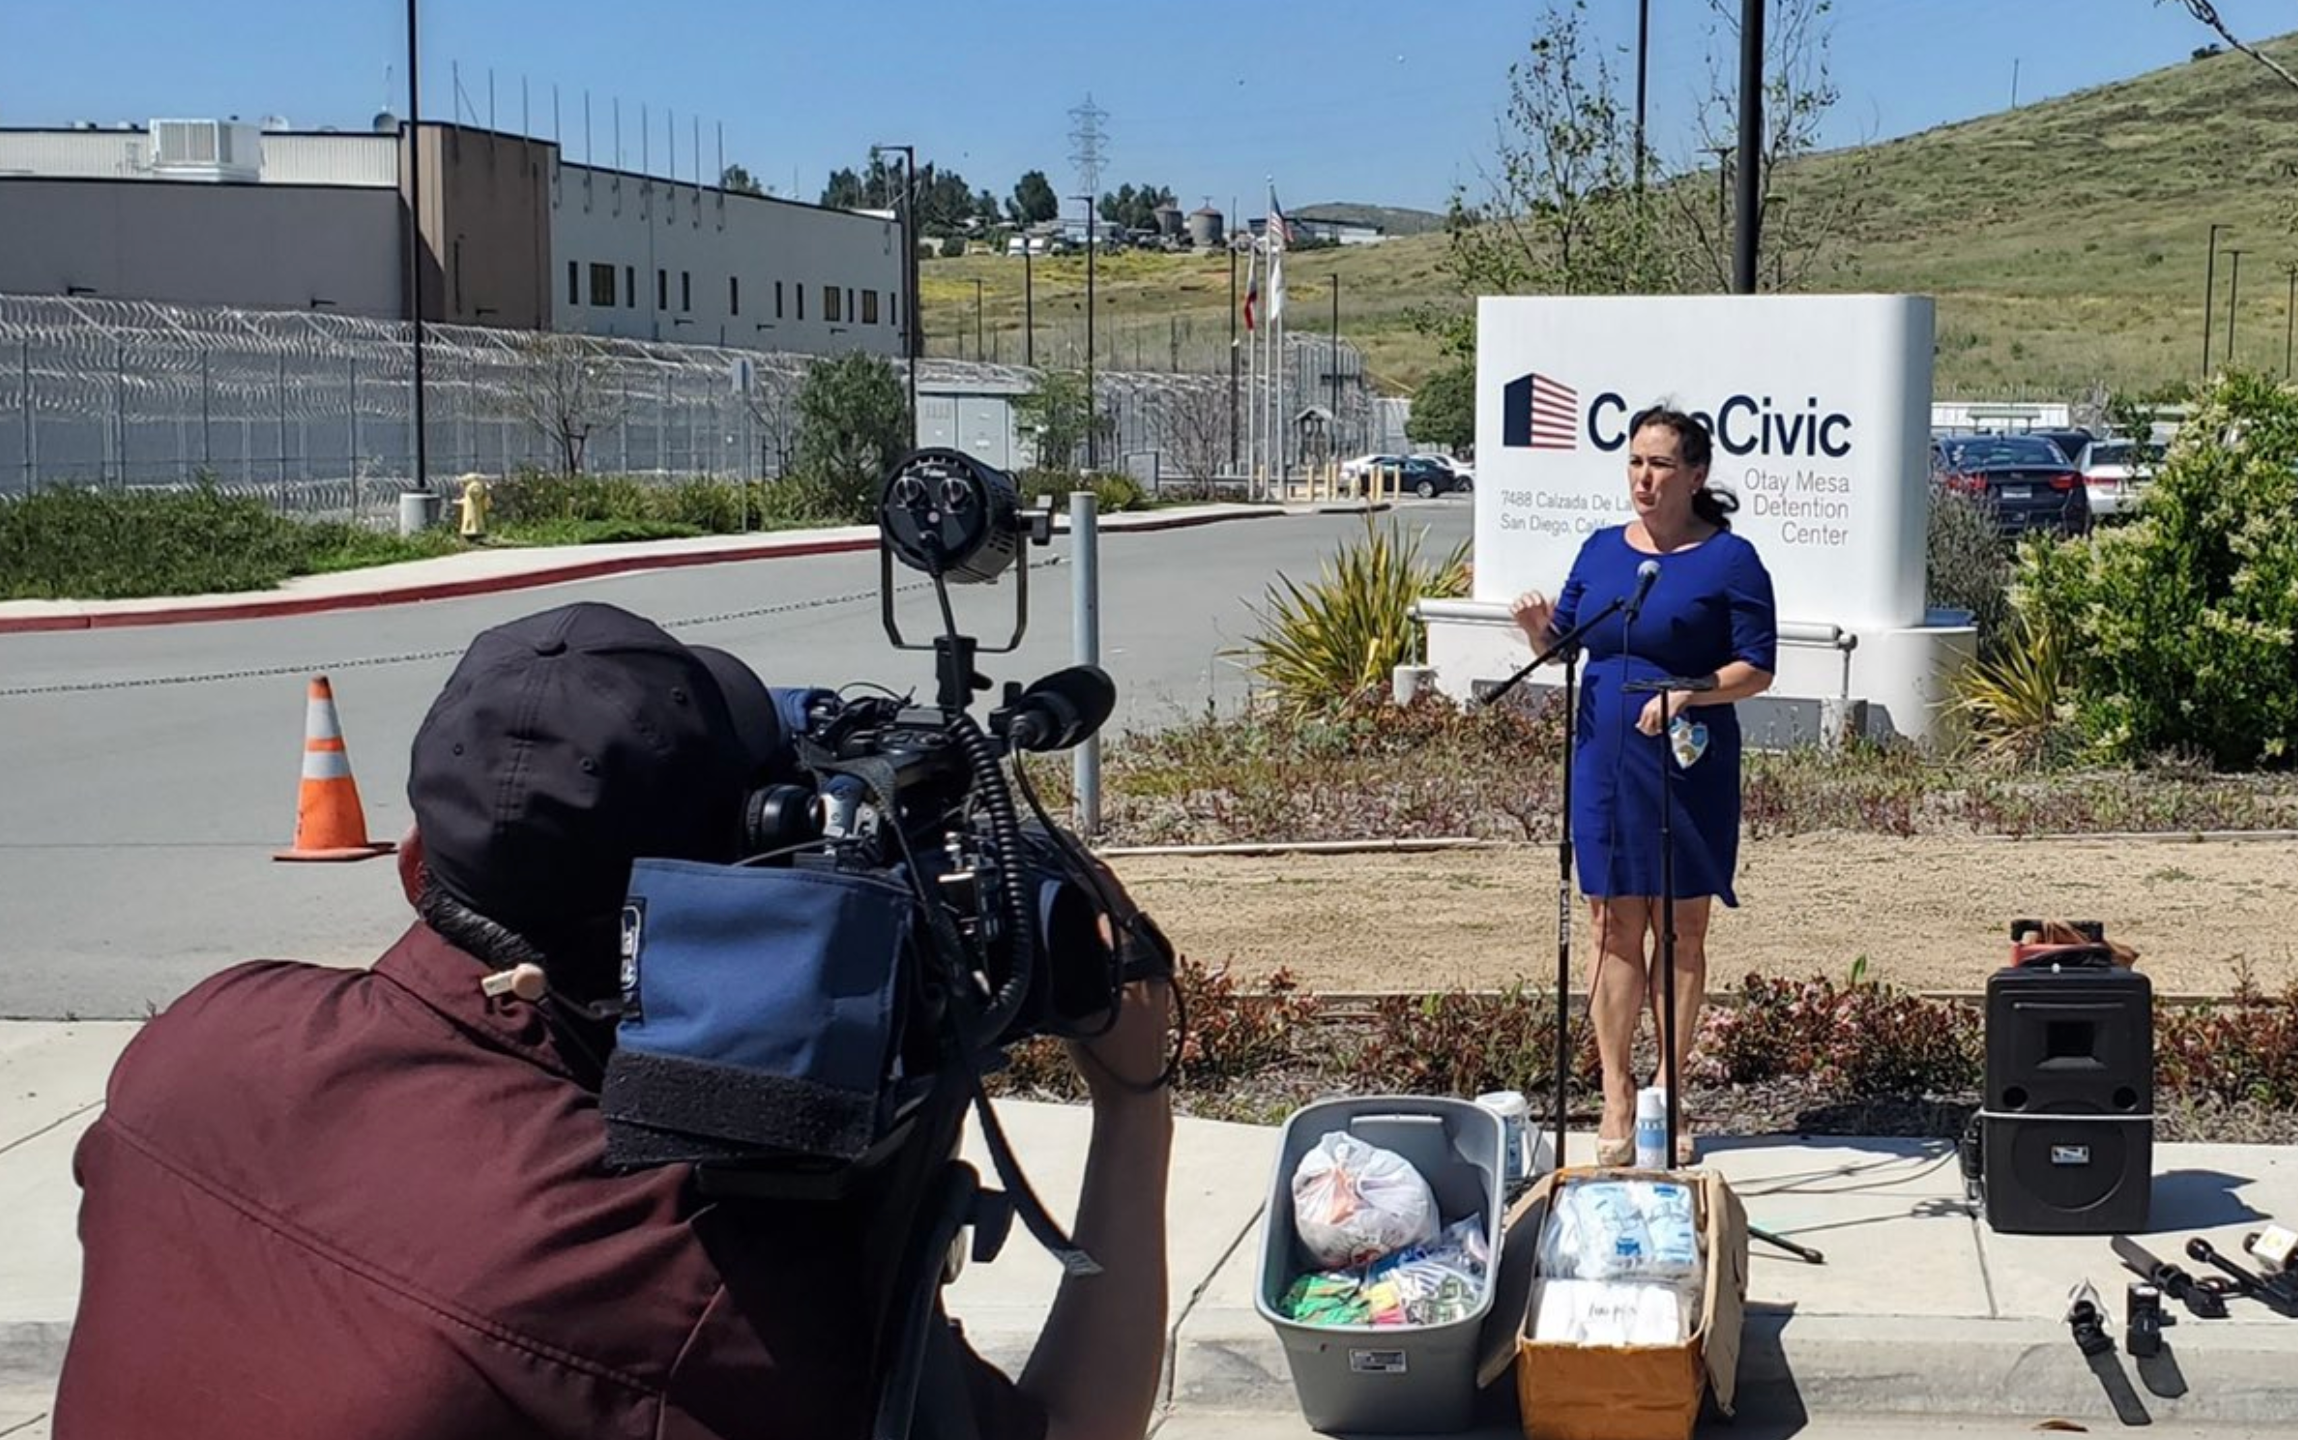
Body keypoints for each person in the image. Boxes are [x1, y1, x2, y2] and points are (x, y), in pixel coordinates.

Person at [55, 601, 1174, 1440]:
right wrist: (1135, 1102)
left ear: (410, 868)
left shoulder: (198, 1039)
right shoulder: (670, 1277)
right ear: (723, 906)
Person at [1509, 409, 1777, 1167]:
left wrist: (1692, 691)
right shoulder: (1600, 550)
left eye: (1660, 465)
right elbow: (1566, 642)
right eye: (1633, 463)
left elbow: (1757, 667)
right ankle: (1618, 1093)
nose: (1643, 479)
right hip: (1605, 753)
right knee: (1610, 923)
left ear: (1696, 475)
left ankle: (1671, 1092)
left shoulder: (1731, 560)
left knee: (1680, 928)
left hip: (1688, 759)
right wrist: (1536, 631)